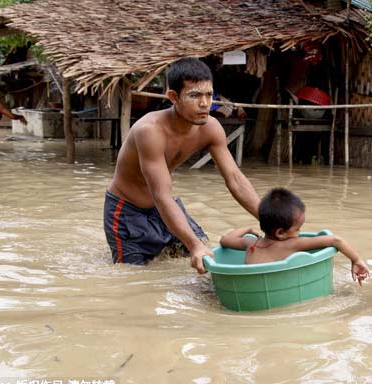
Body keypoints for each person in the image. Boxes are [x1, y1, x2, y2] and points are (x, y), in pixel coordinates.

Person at [104, 57, 260, 273]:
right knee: (133, 278)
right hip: (127, 210)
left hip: (165, 207)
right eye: (195, 95)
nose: (205, 103)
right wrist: (194, 245)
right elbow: (161, 195)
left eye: (209, 94)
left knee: (205, 257)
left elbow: (234, 178)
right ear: (173, 97)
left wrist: (269, 220)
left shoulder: (211, 128)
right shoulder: (149, 131)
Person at [219, 188, 370, 286]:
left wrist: (248, 228)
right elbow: (336, 240)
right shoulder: (292, 244)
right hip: (280, 291)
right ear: (280, 233)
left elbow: (224, 240)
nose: (299, 233)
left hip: (248, 289)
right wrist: (356, 260)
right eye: (298, 229)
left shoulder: (250, 243)